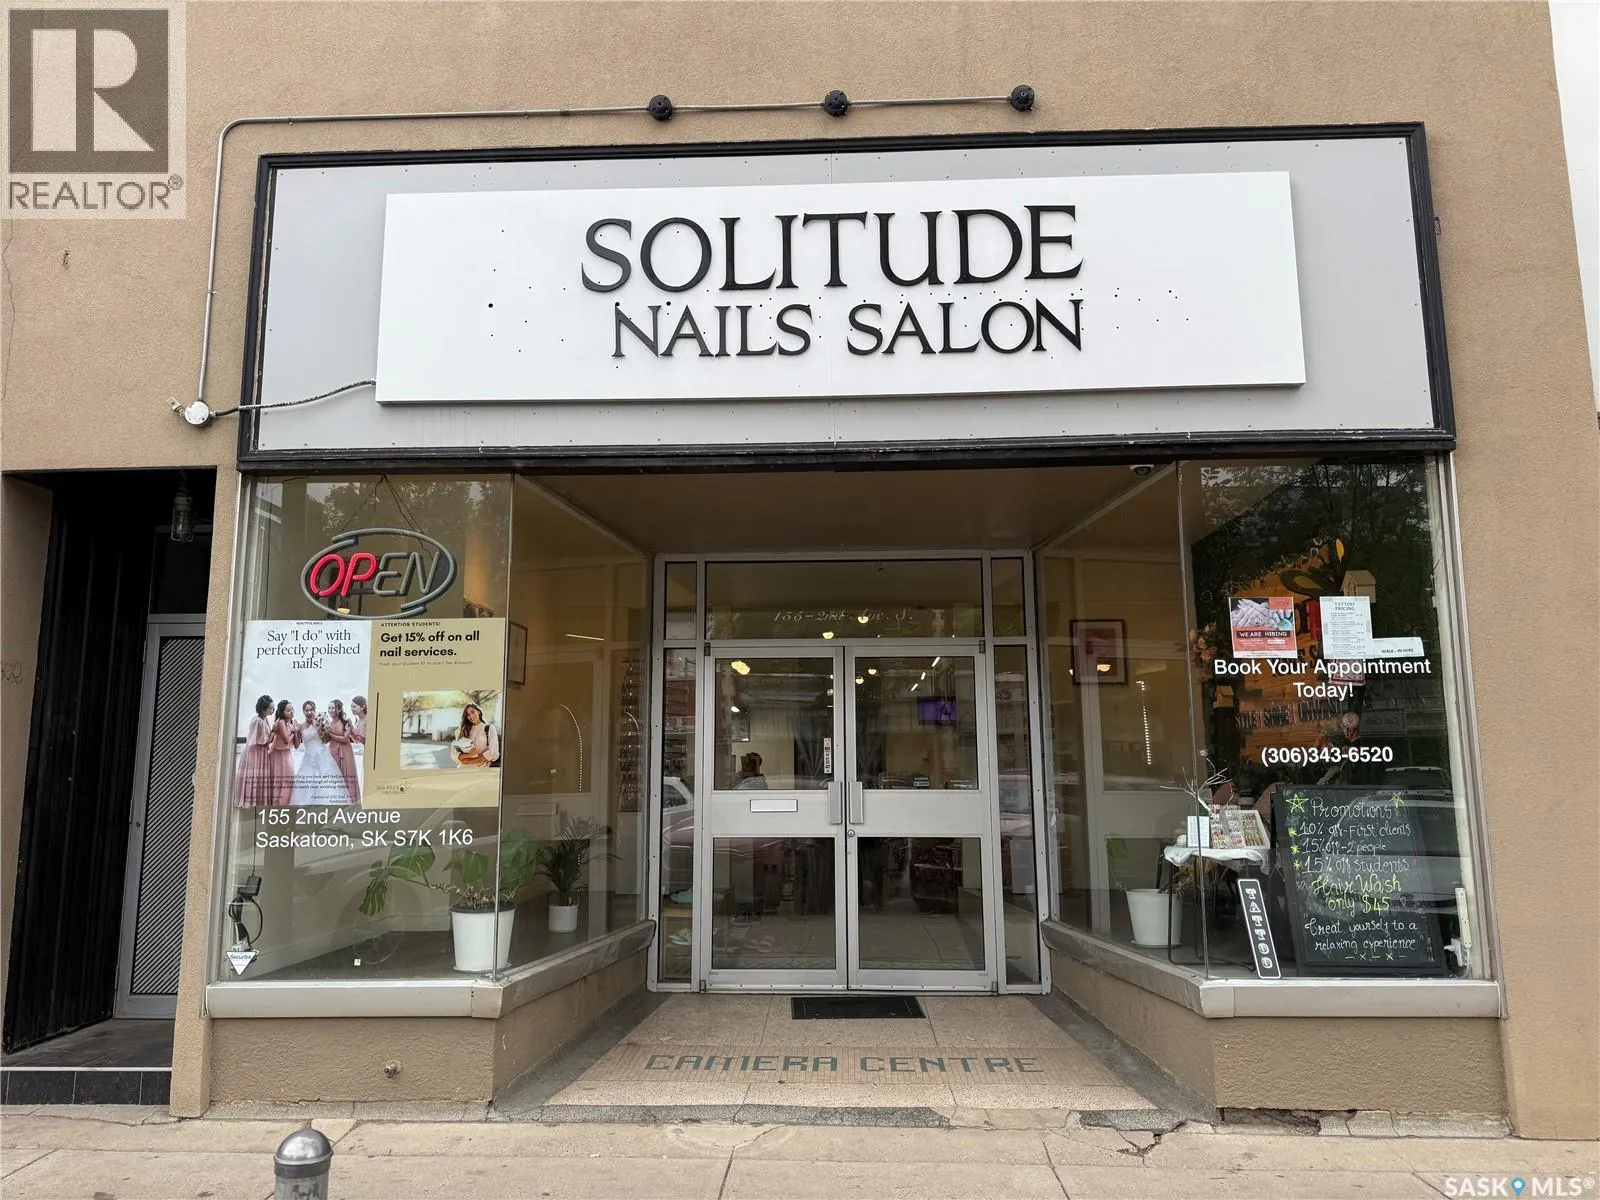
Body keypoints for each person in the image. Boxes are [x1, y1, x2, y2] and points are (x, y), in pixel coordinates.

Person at [290, 700, 345, 804]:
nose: (309, 712)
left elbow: (325, 741)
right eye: (306, 710)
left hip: (322, 755)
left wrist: (323, 728)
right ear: (303, 711)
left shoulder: (319, 722)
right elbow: (296, 746)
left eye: (311, 709)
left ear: (314, 710)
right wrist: (296, 732)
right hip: (308, 758)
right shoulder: (301, 726)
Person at [234, 694, 275, 808]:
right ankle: (251, 802)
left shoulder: (264, 720)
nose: (273, 710)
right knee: (254, 776)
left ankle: (256, 801)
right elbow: (265, 742)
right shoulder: (258, 721)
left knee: (257, 777)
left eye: (273, 708)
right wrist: (274, 731)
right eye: (270, 708)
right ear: (263, 709)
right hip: (256, 754)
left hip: (259, 753)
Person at [325, 698, 362, 806]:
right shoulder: (329, 723)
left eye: (333, 708)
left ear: (339, 709)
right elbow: (326, 740)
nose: (330, 710)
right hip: (333, 751)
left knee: (347, 775)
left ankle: (350, 802)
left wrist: (331, 735)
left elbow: (346, 739)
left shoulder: (346, 721)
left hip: (345, 752)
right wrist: (323, 731)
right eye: (329, 708)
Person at [268, 699, 298, 806]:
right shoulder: (281, 722)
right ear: (282, 712)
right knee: (278, 781)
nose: (291, 712)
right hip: (277, 754)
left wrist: (296, 731)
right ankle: (277, 804)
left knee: (288, 779)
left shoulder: (291, 722)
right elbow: (286, 740)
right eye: (288, 710)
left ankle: (286, 804)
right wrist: (294, 732)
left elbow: (296, 745)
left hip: (287, 753)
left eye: (292, 709)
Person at [450, 703, 500, 768]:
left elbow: (493, 752)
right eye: (468, 715)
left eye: (473, 712)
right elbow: (454, 754)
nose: (471, 716)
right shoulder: (462, 730)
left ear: (478, 711)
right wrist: (469, 755)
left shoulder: (489, 728)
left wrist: (468, 761)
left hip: (481, 770)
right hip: (462, 770)